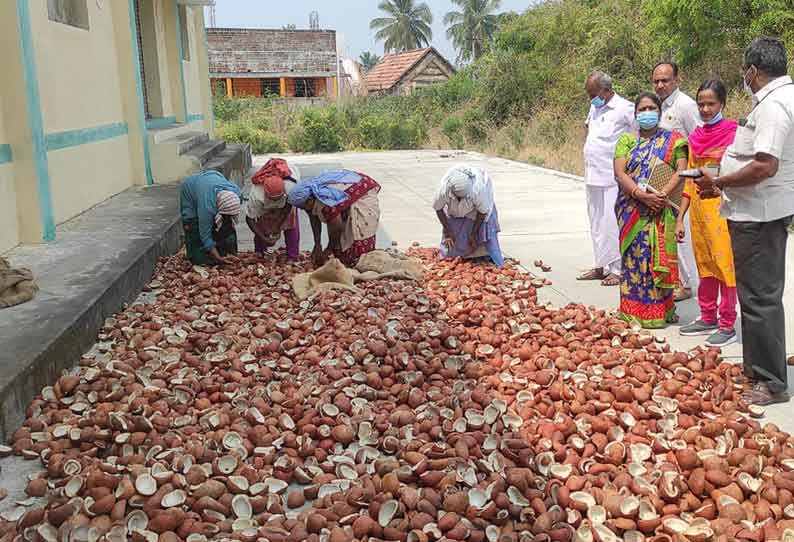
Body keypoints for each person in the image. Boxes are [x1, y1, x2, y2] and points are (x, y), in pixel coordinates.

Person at [695, 37, 794, 406]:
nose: (745, 77)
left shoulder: (774, 105)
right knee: (755, 296)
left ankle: (771, 383)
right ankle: (756, 370)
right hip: (753, 211)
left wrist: (718, 181)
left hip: (759, 214)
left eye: (745, 71)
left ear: (753, 70)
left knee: (760, 298)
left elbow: (766, 164)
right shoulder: (777, 99)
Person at [613, 92, 688, 329]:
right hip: (632, 209)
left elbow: (681, 170)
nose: (647, 113)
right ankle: (633, 311)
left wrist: (661, 194)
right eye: (642, 109)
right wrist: (641, 195)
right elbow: (620, 173)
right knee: (635, 258)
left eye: (651, 108)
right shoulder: (626, 140)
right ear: (635, 114)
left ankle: (660, 311)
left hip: (660, 206)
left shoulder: (674, 140)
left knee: (656, 256)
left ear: (659, 111)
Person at [676, 80, 739, 347]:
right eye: (701, 103)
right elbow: (690, 181)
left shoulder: (734, 132)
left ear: (722, 103)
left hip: (723, 208)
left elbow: (737, 171)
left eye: (710, 103)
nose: (705, 108)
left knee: (725, 266)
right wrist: (681, 216)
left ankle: (727, 323)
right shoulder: (696, 138)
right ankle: (707, 315)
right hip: (700, 211)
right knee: (704, 264)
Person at [580, 71, 635, 286]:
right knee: (596, 223)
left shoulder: (625, 108)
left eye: (593, 94)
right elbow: (588, 128)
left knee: (612, 224)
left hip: (613, 177)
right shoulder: (595, 107)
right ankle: (600, 265)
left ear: (605, 90)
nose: (590, 98)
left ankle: (617, 269)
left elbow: (637, 134)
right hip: (592, 174)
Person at [652, 61, 700, 301]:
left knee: (682, 234)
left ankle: (688, 284)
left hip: (684, 179)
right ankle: (676, 280)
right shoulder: (657, 106)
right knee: (667, 232)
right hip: (662, 177)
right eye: (657, 81)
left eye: (665, 80)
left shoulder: (686, 106)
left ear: (676, 80)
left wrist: (697, 177)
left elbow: (700, 140)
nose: (660, 85)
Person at [287, 169, 381, 267]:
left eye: (302, 207)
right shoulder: (310, 197)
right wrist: (317, 244)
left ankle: (360, 263)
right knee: (340, 247)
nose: (303, 210)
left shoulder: (326, 203)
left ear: (310, 200)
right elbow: (313, 218)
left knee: (359, 235)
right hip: (350, 186)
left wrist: (328, 250)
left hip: (363, 189)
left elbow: (336, 227)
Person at [432, 164, 504, 267]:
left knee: (483, 230)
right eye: (458, 197)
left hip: (477, 210)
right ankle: (459, 256)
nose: (461, 200)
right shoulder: (443, 190)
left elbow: (482, 212)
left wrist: (473, 233)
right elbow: (438, 209)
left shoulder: (478, 189)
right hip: (455, 210)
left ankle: (483, 256)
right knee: (453, 235)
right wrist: (448, 230)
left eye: (463, 197)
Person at [179, 170, 242, 265]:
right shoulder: (207, 207)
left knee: (226, 224)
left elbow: (230, 220)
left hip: (211, 179)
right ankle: (196, 255)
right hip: (191, 190)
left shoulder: (236, 192)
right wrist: (218, 258)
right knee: (193, 227)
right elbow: (205, 235)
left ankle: (227, 251)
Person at [245, 158, 301, 262]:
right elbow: (250, 219)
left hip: (287, 202)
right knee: (261, 224)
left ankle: (292, 255)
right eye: (273, 199)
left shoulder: (291, 188)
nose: (275, 201)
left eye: (278, 198)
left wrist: (277, 226)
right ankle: (260, 253)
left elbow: (288, 208)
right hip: (264, 206)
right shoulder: (257, 195)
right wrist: (263, 237)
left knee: (290, 224)